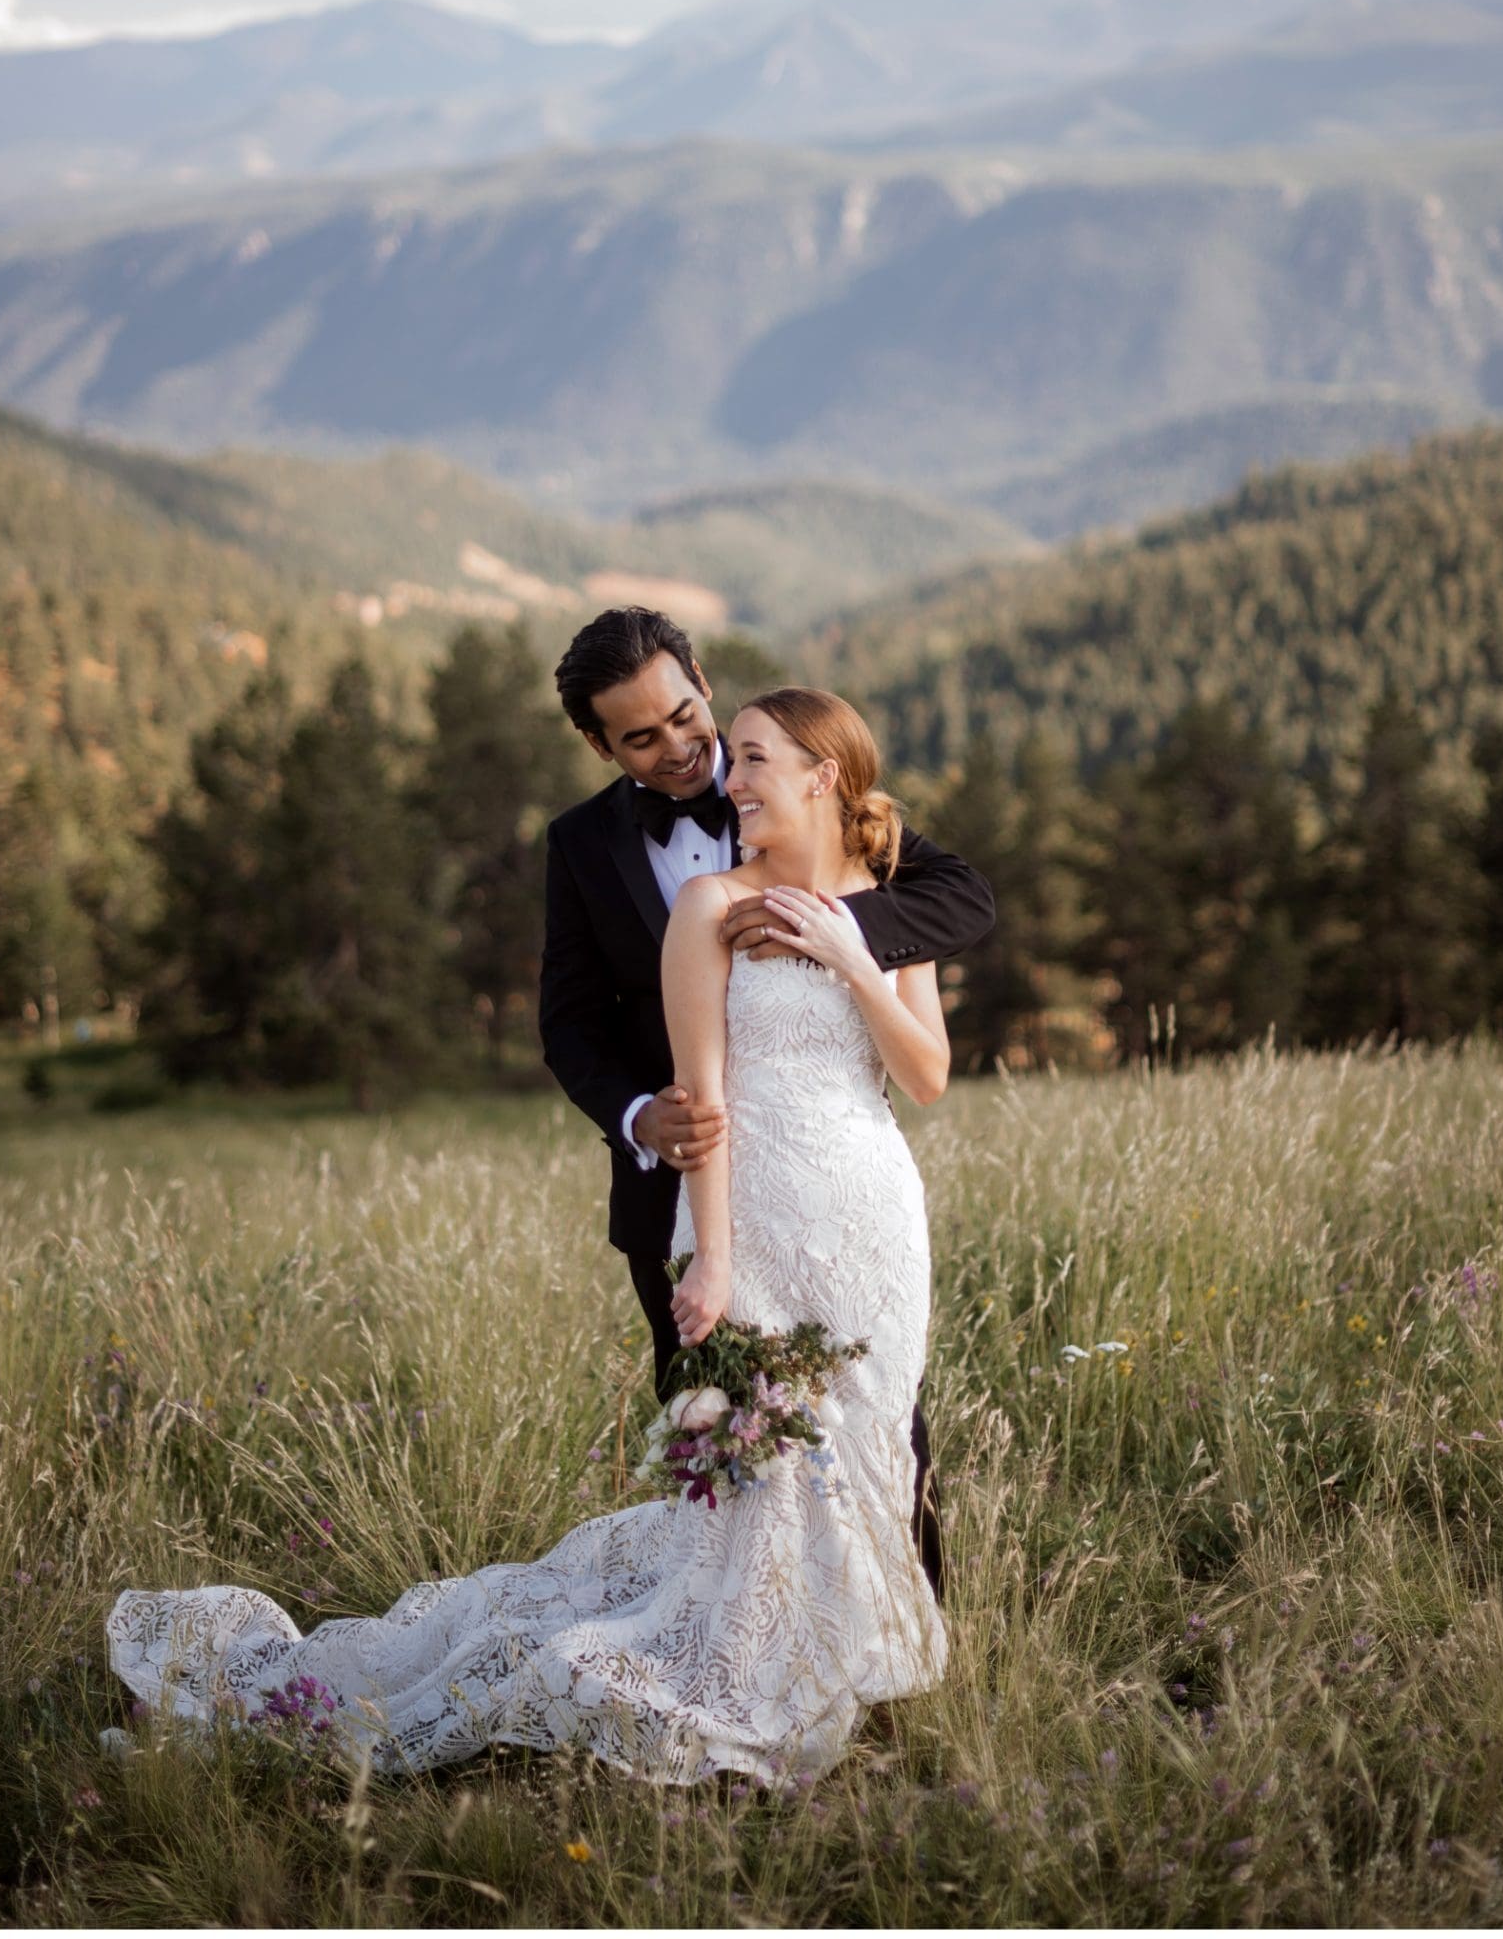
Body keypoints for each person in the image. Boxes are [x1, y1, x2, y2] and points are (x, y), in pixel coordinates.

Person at [103, 680, 977, 1788]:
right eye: (734, 756)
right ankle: (746, 1668)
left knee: (867, 1446)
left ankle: (852, 1665)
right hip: (760, 1216)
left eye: (751, 757)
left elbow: (929, 1076)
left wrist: (852, 953)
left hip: (873, 1221)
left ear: (821, 775)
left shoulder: (894, 902)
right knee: (767, 1465)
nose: (728, 774)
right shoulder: (708, 907)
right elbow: (698, 1102)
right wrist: (707, 1257)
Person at [540, 606, 995, 1596]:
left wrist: (827, 927)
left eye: (683, 713)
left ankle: (901, 1657)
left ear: (701, 677)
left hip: (846, 1194)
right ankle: (729, 1648)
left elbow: (962, 900)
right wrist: (636, 1116)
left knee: (882, 1431)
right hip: (686, 1187)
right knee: (726, 1453)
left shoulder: (798, 768)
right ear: (597, 743)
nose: (680, 749)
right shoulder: (577, 846)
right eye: (640, 737)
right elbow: (566, 1023)